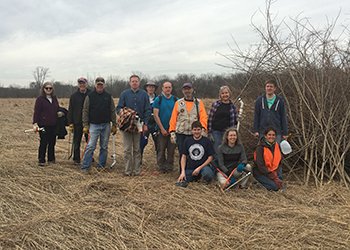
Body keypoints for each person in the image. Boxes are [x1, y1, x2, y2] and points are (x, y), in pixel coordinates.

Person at [116, 75, 151, 176]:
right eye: (132, 81)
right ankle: (127, 171)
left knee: (137, 149)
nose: (134, 83)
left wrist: (145, 123)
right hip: (127, 125)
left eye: (136, 81)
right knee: (127, 149)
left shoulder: (144, 94)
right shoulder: (124, 94)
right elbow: (118, 108)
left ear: (139, 83)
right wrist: (125, 116)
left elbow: (147, 109)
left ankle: (137, 171)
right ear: (129, 83)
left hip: (139, 124)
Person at [81, 77, 117, 172]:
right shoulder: (90, 96)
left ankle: (101, 166)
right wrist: (85, 124)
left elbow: (113, 110)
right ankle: (85, 166)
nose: (100, 86)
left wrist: (114, 124)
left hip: (106, 125)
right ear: (95, 85)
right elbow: (85, 110)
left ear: (104, 85)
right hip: (94, 125)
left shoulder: (109, 96)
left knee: (104, 146)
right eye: (98, 84)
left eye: (101, 85)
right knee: (91, 146)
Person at [169, 83, 207, 168]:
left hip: (193, 133)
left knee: (194, 153)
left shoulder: (198, 103)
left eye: (189, 89)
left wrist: (203, 128)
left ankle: (192, 172)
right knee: (182, 153)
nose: (187, 91)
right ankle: (182, 172)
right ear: (182, 91)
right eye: (185, 89)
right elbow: (173, 118)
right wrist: (172, 131)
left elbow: (203, 116)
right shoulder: (178, 103)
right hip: (181, 133)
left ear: (192, 90)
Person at [176, 121, 215, 187]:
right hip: (191, 168)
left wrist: (199, 168)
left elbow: (210, 157)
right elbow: (183, 157)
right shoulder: (187, 141)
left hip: (204, 167)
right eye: (195, 130)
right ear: (192, 130)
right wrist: (182, 172)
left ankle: (204, 180)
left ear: (201, 130)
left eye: (198, 130)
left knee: (208, 175)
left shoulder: (207, 141)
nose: (196, 132)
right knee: (180, 184)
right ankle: (194, 178)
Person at [152, 81, 178, 173]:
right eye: (166, 87)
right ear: (162, 88)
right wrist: (162, 129)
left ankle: (170, 167)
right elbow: (155, 115)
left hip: (173, 131)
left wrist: (174, 129)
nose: (168, 89)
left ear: (171, 88)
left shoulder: (176, 100)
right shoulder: (158, 100)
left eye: (169, 87)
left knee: (171, 151)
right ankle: (162, 167)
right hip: (161, 130)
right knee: (161, 150)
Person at [33, 82, 59, 167]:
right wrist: (35, 123)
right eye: (47, 88)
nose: (48, 90)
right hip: (43, 125)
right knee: (44, 142)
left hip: (53, 124)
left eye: (50, 88)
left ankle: (51, 159)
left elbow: (57, 108)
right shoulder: (40, 99)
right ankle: (41, 160)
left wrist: (60, 113)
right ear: (43, 89)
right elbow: (36, 112)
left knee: (52, 143)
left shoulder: (54, 98)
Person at [253, 79, 288, 143]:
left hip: (276, 132)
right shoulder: (260, 100)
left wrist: (285, 133)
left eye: (271, 86)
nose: (269, 88)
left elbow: (283, 117)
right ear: (265, 88)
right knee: (263, 151)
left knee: (275, 151)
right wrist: (255, 130)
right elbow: (256, 116)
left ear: (275, 88)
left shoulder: (280, 100)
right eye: (267, 86)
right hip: (262, 131)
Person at [207, 86, 238, 154]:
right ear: (220, 95)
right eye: (222, 93)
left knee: (226, 150)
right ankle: (215, 164)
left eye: (226, 93)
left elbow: (235, 121)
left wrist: (239, 119)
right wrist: (209, 133)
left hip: (227, 133)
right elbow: (210, 118)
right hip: (216, 131)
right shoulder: (215, 104)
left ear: (229, 94)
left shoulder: (232, 106)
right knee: (217, 150)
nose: (225, 95)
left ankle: (225, 164)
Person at [253, 126, 285, 191]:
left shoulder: (277, 145)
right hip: (261, 173)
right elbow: (260, 165)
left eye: (273, 135)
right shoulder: (260, 147)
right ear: (265, 136)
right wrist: (271, 175)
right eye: (269, 135)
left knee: (281, 187)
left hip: (273, 172)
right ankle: (256, 184)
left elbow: (279, 162)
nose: (271, 137)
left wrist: (276, 172)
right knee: (275, 187)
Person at [67, 77, 91, 164]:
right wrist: (70, 123)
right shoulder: (74, 96)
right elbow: (71, 110)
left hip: (89, 122)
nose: (82, 85)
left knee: (90, 143)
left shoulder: (91, 94)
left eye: (83, 83)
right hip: (77, 122)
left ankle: (89, 158)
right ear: (78, 85)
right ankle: (76, 159)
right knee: (77, 142)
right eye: (80, 83)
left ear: (86, 84)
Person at [140, 80, 158, 164]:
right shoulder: (142, 98)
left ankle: (159, 162)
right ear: (146, 88)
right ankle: (138, 162)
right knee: (141, 143)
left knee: (158, 145)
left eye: (153, 87)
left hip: (155, 125)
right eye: (149, 87)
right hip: (144, 124)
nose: (151, 88)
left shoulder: (158, 99)